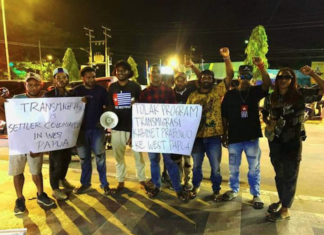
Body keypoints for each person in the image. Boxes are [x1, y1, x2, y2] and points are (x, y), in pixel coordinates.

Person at [262, 66, 324, 222]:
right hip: (275, 140)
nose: (283, 80)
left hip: (292, 141)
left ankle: (285, 210)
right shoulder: (271, 97)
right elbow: (264, 113)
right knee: (280, 174)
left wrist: (313, 74)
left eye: (287, 77)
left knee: (290, 174)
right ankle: (283, 200)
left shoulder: (300, 94)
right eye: (281, 77)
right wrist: (269, 123)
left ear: (292, 79)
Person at [221, 58, 271, 208]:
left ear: (252, 78)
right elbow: (224, 115)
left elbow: (267, 84)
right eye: (242, 76)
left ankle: (256, 194)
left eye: (248, 76)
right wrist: (224, 134)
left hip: (251, 137)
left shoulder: (255, 92)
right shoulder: (230, 95)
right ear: (238, 77)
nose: (245, 79)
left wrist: (261, 67)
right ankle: (233, 189)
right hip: (234, 138)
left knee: (254, 167)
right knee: (233, 167)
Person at [186, 47, 234, 201]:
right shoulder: (192, 96)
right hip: (197, 137)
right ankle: (196, 186)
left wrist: (226, 58)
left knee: (216, 168)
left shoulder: (217, 91)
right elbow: (185, 117)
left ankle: (216, 190)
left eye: (209, 77)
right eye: (203, 77)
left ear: (213, 81)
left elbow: (230, 75)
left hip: (213, 137)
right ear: (199, 80)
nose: (206, 79)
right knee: (197, 166)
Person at [139, 64, 188, 202]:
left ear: (161, 75)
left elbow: (173, 111)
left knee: (170, 161)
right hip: (152, 133)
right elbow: (140, 115)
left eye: (158, 72)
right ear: (150, 75)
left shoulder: (168, 91)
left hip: (167, 133)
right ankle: (157, 186)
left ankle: (178, 188)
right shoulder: (144, 93)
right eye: (153, 72)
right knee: (154, 161)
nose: (156, 74)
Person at [7, 72, 55, 214]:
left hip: (36, 140)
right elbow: (9, 116)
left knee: (36, 171)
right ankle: (20, 199)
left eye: (36, 84)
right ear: (25, 85)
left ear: (41, 84)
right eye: (30, 84)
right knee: (17, 171)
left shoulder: (46, 98)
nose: (33, 87)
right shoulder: (17, 99)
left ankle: (40, 194)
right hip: (18, 141)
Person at [108, 60, 146, 192]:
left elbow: (141, 105)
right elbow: (109, 105)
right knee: (118, 156)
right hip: (117, 127)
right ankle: (120, 181)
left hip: (134, 127)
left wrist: (137, 103)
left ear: (129, 72)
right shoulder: (112, 87)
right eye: (118, 70)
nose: (121, 72)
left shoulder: (135, 86)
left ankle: (142, 179)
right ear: (115, 72)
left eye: (124, 70)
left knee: (138, 156)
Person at [72, 67, 111, 195]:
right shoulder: (76, 91)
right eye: (88, 77)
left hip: (97, 130)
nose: (91, 79)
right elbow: (68, 108)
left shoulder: (101, 91)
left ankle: (104, 183)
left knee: (100, 157)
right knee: (84, 159)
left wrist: (104, 121)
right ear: (83, 78)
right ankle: (85, 183)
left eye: (93, 77)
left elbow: (108, 107)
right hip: (81, 131)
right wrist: (78, 102)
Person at [44, 68, 75, 200]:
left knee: (66, 159)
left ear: (68, 79)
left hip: (67, 133)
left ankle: (62, 179)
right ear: (54, 80)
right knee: (55, 161)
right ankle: (55, 188)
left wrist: (82, 103)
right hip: (54, 134)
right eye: (59, 78)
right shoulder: (48, 95)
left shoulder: (71, 95)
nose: (62, 80)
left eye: (64, 77)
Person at [170, 68, 200, 191]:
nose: (180, 82)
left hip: (189, 130)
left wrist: (192, 66)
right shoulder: (170, 93)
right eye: (178, 80)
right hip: (175, 130)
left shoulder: (192, 92)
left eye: (183, 80)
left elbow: (200, 78)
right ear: (175, 81)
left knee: (188, 158)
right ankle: (178, 180)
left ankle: (188, 181)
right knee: (176, 159)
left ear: (186, 81)